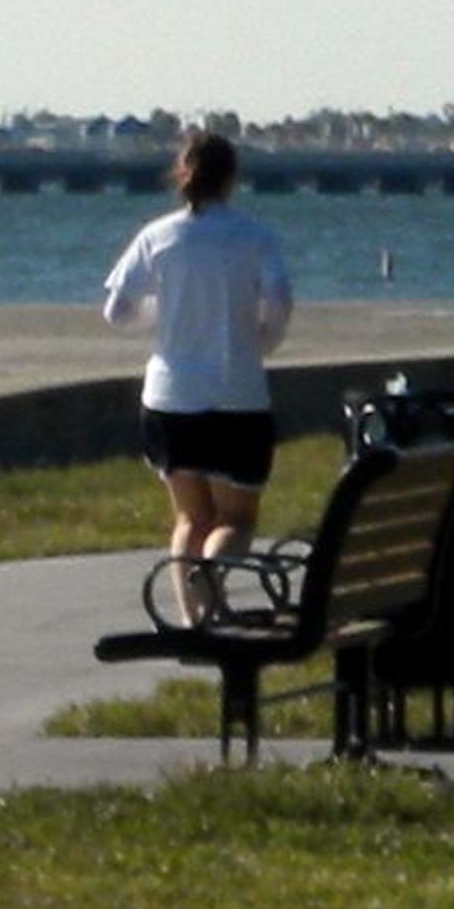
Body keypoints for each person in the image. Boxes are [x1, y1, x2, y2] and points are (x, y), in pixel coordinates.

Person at [101, 126, 295, 622]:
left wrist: (162, 318)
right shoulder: (254, 237)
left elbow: (117, 310)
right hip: (237, 395)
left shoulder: (158, 235)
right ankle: (210, 576)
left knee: (191, 517)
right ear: (232, 179)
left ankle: (194, 621)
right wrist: (262, 339)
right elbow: (279, 300)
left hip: (171, 397)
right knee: (236, 519)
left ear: (182, 175)